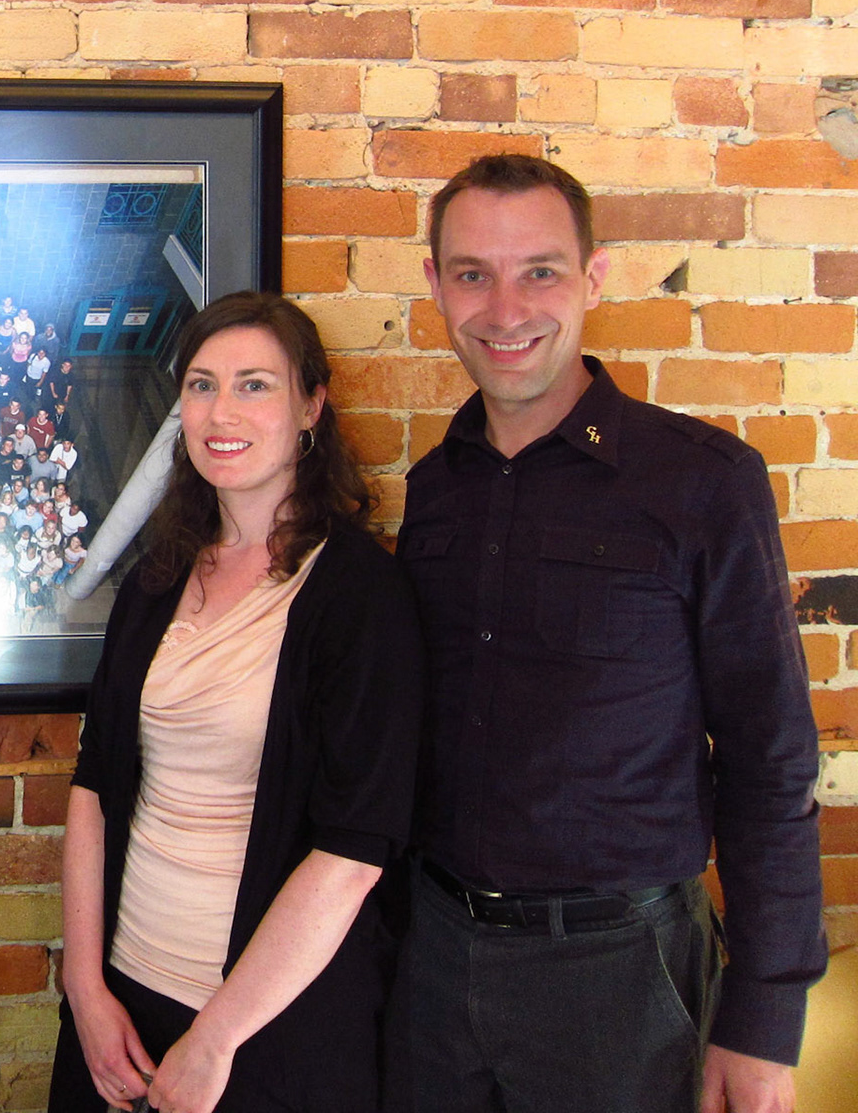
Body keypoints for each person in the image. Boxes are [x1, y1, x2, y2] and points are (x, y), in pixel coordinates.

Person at [395, 154, 824, 1113]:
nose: (506, 309)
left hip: (620, 977)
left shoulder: (704, 482)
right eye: (473, 273)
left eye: (540, 271)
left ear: (594, 278)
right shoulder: (434, 490)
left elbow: (771, 757)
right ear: (434, 285)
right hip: (430, 959)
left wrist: (763, 1017)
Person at [51, 291, 421, 1113]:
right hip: (122, 1001)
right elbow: (94, 785)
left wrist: (218, 1035)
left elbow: (354, 856)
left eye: (255, 384)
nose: (221, 410)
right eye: (201, 384)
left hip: (264, 1026)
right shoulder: (157, 579)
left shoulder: (360, 597)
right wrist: (83, 989)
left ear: (310, 407)